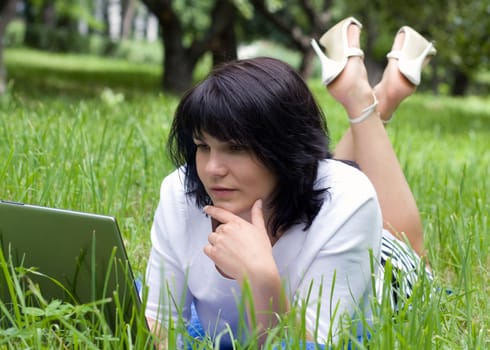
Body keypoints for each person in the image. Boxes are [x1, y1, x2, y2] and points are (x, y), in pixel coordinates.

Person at [144, 17, 436, 348]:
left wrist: (263, 278)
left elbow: (306, 343)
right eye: (202, 146)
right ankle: (370, 98)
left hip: (385, 270)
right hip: (308, 190)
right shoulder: (180, 191)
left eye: (236, 148)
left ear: (283, 149)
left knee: (404, 240)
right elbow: (158, 323)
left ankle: (367, 99)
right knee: (332, 179)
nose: (212, 169)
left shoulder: (349, 200)